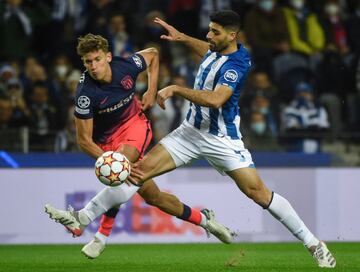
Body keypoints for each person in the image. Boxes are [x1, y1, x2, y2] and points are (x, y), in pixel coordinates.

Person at [45, 11, 336, 268]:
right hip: (189, 133)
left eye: (215, 32)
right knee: (135, 174)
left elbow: (216, 99)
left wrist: (175, 89)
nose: (208, 36)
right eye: (208, 29)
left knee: (258, 194)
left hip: (221, 138)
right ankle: (82, 217)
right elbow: (207, 52)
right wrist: (183, 37)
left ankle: (314, 244)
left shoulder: (237, 64)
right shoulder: (216, 50)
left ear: (232, 36)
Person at [45, 33, 233, 259]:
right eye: (88, 62)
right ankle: (205, 220)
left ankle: (87, 223)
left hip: (135, 126)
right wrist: (107, 159)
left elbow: (153, 54)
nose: (93, 66)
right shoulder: (85, 94)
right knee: (154, 196)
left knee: (122, 170)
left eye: (97, 59)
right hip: (107, 141)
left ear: (108, 57)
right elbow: (84, 141)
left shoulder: (126, 66)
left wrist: (152, 89)